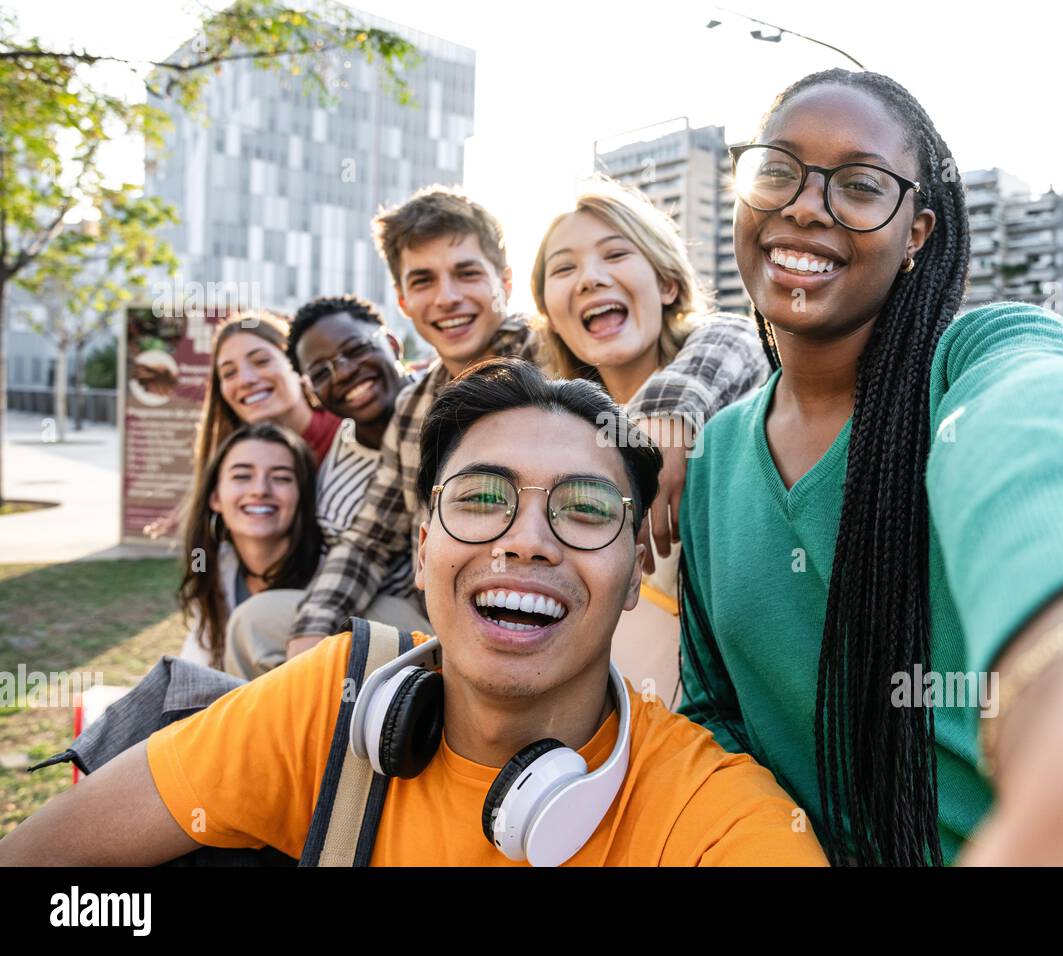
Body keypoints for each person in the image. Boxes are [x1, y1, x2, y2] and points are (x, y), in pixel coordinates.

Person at [676, 68, 1063, 866]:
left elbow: (1045, 426)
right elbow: (714, 715)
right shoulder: (712, 455)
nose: (805, 204)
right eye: (778, 170)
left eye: (862, 186)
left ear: (918, 234)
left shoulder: (973, 359)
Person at [0, 358, 829, 867]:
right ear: (425, 539)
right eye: (481, 499)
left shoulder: (714, 818)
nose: (526, 541)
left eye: (582, 509)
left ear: (637, 557)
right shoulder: (328, 702)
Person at [281, 184, 777, 672]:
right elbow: (368, 539)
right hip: (462, 604)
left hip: (586, 612)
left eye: (466, 273)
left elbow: (726, 334)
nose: (448, 298)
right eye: (424, 281)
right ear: (403, 300)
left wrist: (663, 415)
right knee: (287, 638)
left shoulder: (551, 367)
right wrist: (312, 627)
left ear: (507, 282)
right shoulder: (416, 407)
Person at [531, 177, 767, 704]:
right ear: (550, 313)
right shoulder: (561, 422)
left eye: (615, 254)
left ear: (666, 284)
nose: (590, 278)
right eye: (564, 268)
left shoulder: (725, 368)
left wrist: (662, 420)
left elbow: (735, 338)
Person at [219, 294, 425, 679]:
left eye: (355, 349)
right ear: (311, 387)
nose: (344, 372)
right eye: (323, 371)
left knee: (258, 625)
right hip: (359, 606)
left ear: (392, 344)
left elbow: (369, 546)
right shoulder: (337, 456)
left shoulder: (437, 412)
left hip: (424, 615)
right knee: (252, 628)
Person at [143, 311, 341, 539]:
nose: (246, 379)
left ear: (296, 364)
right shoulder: (231, 467)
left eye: (261, 361)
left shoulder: (352, 436)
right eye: (229, 373)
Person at [178, 422, 323, 670]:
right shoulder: (212, 565)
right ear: (215, 497)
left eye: (281, 478)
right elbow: (195, 666)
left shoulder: (329, 574)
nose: (260, 490)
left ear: (302, 496)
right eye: (242, 476)